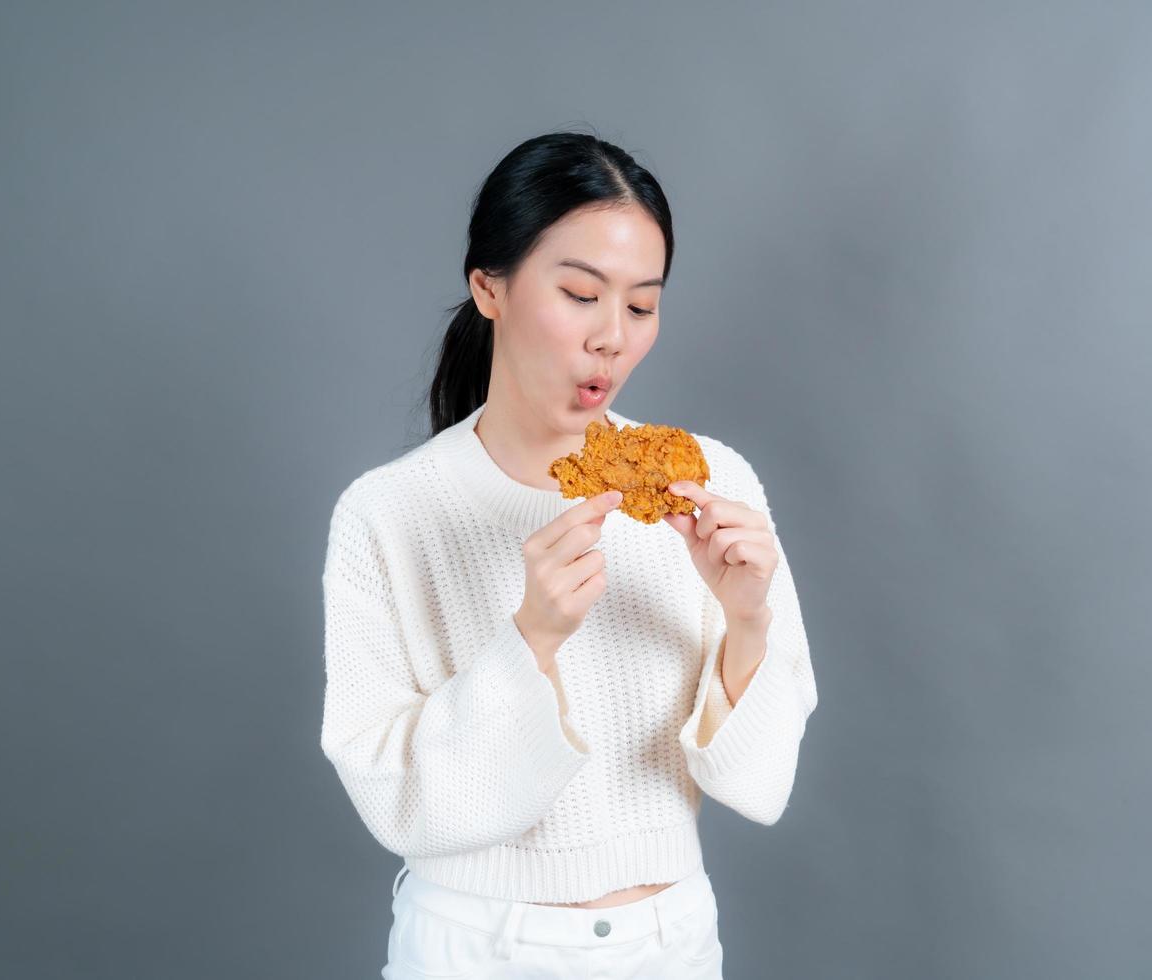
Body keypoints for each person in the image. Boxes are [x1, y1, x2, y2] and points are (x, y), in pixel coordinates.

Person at [319, 129, 819, 979]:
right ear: (490, 287)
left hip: (671, 944)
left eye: (641, 305)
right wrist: (531, 641)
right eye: (581, 293)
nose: (611, 338)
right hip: (474, 948)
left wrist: (746, 621)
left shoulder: (715, 483)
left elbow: (760, 783)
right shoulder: (387, 512)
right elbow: (393, 797)